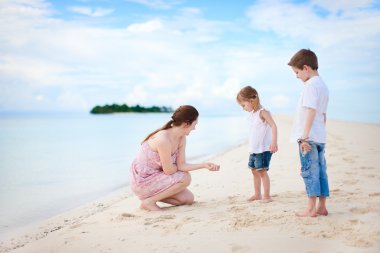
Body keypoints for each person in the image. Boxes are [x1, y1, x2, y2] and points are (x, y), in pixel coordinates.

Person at [130, 105, 220, 211]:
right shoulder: (163, 139)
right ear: (186, 123)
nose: (195, 128)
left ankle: (149, 200)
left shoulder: (181, 138)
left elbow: (181, 165)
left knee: (188, 199)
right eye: (194, 124)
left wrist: (204, 165)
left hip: (157, 178)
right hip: (143, 181)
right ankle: (149, 202)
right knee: (185, 177)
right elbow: (169, 171)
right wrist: (175, 166)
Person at [288, 48, 330, 217]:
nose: (296, 76)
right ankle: (322, 206)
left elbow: (311, 111)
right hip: (319, 136)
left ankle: (311, 208)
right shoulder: (323, 85)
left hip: (309, 138)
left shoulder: (310, 86)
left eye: (297, 72)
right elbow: (324, 114)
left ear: (306, 68)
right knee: (320, 171)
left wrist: (304, 136)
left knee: (309, 171)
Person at [236, 86, 278, 203]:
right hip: (253, 149)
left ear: (251, 100)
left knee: (262, 171)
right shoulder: (252, 114)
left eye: (243, 105)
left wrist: (274, 142)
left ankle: (267, 195)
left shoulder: (262, 112)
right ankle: (257, 194)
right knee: (254, 171)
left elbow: (273, 125)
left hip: (263, 149)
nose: (243, 108)